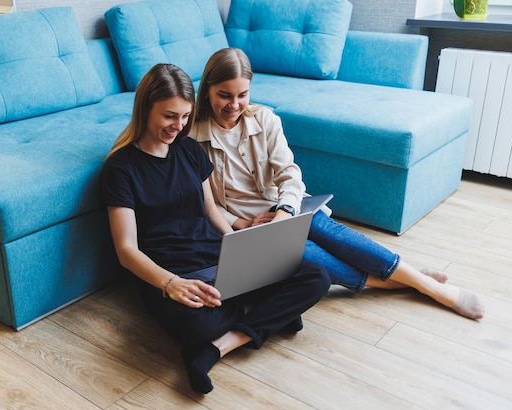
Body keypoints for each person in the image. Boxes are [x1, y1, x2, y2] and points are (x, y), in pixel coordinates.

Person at [190, 48, 485, 321]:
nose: (235, 104)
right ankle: (415, 282)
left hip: (286, 208)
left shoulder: (265, 118)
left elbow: (290, 174)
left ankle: (428, 286)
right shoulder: (192, 137)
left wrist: (283, 214)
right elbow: (203, 201)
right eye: (224, 95)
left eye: (242, 95)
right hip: (250, 226)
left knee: (334, 234)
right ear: (208, 91)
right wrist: (240, 223)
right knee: (306, 254)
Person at [101, 63, 331, 394]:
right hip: (173, 273)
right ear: (145, 108)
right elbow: (126, 250)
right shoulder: (120, 168)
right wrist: (172, 284)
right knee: (195, 324)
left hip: (218, 258)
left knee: (315, 277)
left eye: (184, 117)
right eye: (169, 116)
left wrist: (241, 247)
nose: (178, 126)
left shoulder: (189, 149)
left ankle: (215, 348)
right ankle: (266, 315)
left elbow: (210, 209)